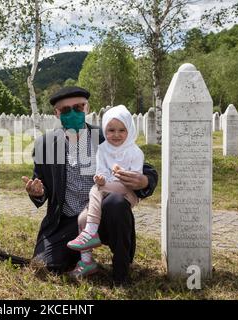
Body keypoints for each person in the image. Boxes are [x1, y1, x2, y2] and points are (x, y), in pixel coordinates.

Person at [21, 86, 158, 285]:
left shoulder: (106, 135)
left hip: (104, 215)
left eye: (78, 107)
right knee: (47, 266)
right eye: (66, 110)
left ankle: (121, 267)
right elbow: (41, 185)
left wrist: (144, 181)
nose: (73, 113)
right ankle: (80, 256)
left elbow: (147, 170)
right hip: (65, 219)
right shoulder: (46, 144)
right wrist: (37, 192)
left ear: (87, 108)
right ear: (56, 113)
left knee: (116, 203)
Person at [66, 105, 144, 278]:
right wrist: (99, 178)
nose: (116, 135)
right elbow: (100, 171)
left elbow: (136, 178)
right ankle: (87, 262)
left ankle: (91, 232)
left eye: (121, 130)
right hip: (105, 188)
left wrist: (121, 175)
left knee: (96, 190)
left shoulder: (135, 151)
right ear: (105, 130)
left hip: (126, 191)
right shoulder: (102, 149)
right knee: (82, 218)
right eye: (111, 130)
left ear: (129, 130)